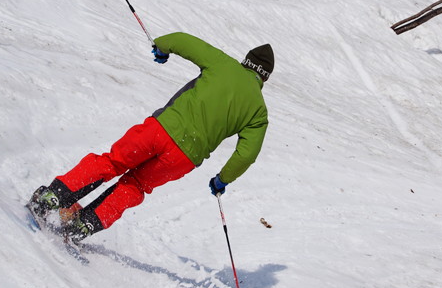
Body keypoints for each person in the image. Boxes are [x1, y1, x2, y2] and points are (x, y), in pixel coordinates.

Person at [26, 32, 273, 243]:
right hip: (184, 158)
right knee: (136, 186)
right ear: (264, 78)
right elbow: (247, 154)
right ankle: (84, 225)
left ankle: (53, 197)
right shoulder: (259, 111)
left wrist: (161, 47)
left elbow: (182, 41)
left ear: (246, 61)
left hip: (160, 130)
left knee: (112, 162)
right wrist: (222, 180)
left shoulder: (224, 64)